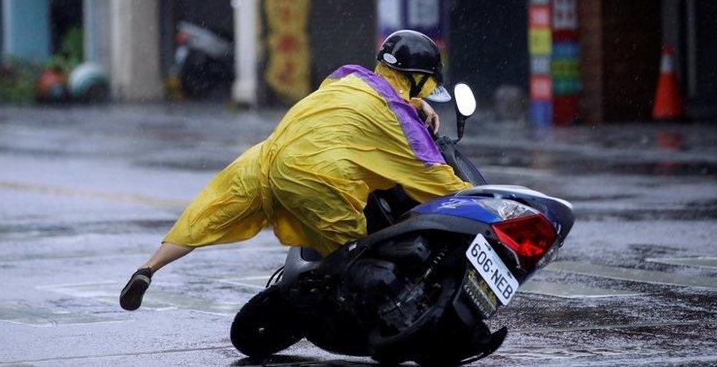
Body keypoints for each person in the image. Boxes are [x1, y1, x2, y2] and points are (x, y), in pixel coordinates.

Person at [120, 30, 470, 311]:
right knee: (354, 254)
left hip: (266, 158)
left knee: (208, 215)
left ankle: (148, 268)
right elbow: (433, 176)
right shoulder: (399, 120)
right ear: (416, 79)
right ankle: (354, 314)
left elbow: (380, 99)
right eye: (423, 87)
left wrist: (413, 104)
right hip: (316, 175)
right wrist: (492, 207)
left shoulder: (348, 77)